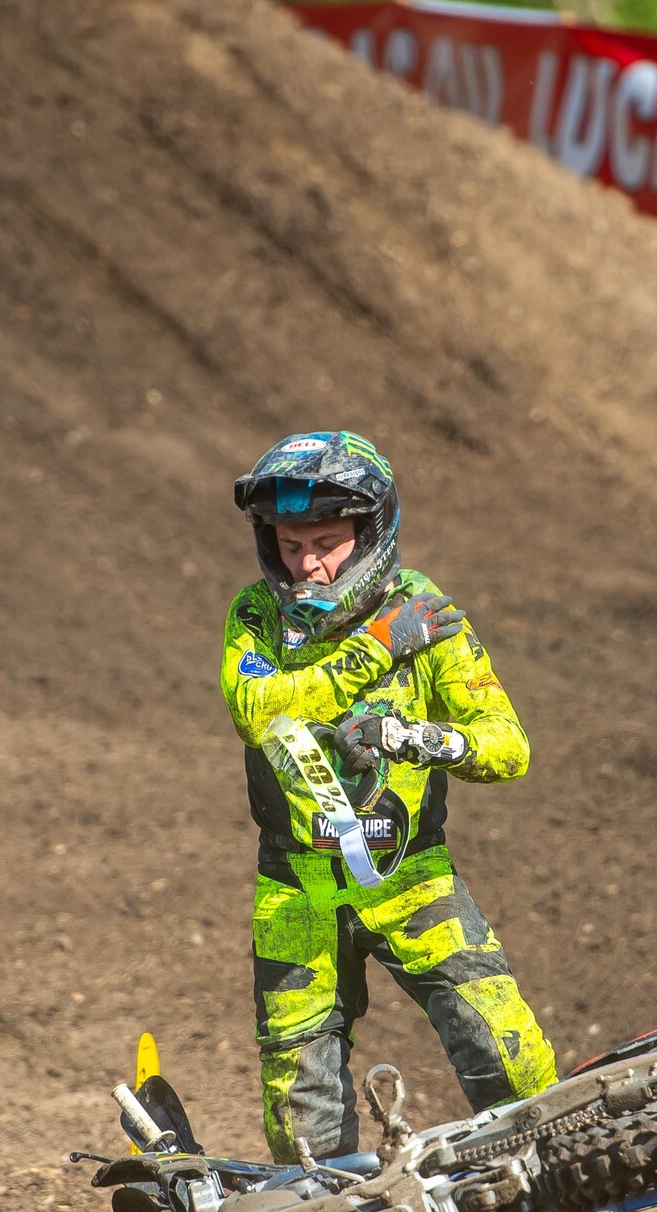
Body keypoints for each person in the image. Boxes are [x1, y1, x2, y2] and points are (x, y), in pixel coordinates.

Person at [219, 431, 560, 1162]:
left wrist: (422, 739)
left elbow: (510, 748)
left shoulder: (424, 613)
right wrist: (375, 648)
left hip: (412, 877)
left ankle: (550, 1174)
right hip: (296, 888)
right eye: (288, 542)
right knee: (296, 1111)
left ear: (369, 531)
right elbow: (260, 709)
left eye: (327, 541)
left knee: (506, 1050)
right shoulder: (255, 618)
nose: (307, 563)